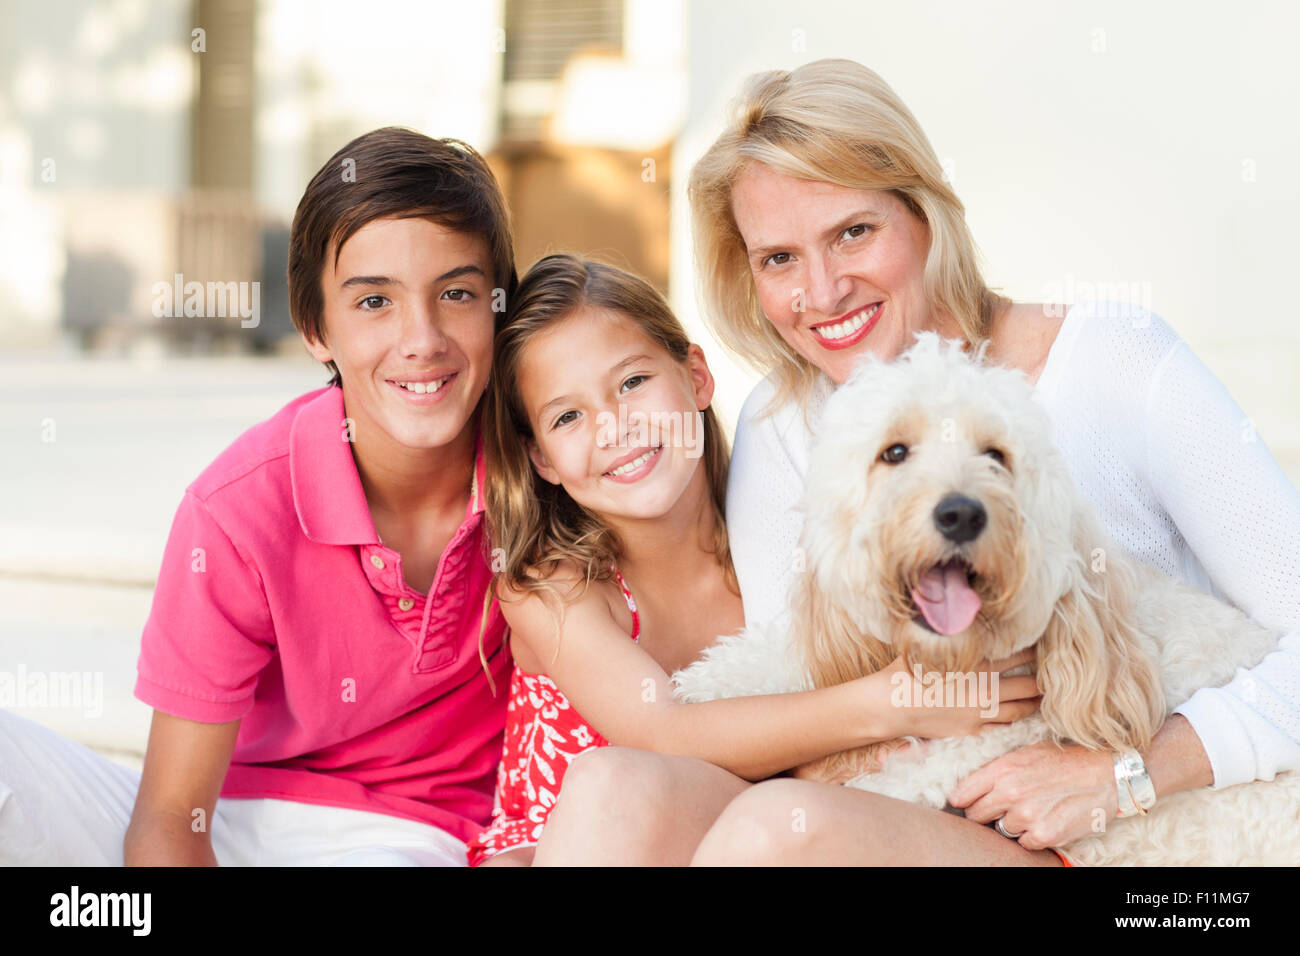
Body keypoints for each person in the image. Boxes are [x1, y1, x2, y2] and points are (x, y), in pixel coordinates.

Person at [676, 58, 1300, 864]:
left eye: (853, 233)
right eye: (779, 259)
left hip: (1156, 851)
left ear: (926, 218)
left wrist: (1127, 774)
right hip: (927, 816)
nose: (823, 292)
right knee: (622, 789)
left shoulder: (1115, 361)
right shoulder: (784, 420)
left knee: (774, 836)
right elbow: (799, 696)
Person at [0, 127, 519, 866]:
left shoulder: (544, 475)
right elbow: (171, 817)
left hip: (407, 837)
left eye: (458, 294)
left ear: (500, 309)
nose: (422, 338)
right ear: (315, 329)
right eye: (375, 301)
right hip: (223, 821)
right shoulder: (241, 508)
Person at [462, 253, 1041, 866]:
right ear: (543, 459)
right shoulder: (549, 589)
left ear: (697, 376)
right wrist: (896, 702)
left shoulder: (771, 542)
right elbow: (665, 735)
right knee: (604, 788)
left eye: (632, 383)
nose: (613, 427)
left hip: (742, 835)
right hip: (568, 842)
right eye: (568, 416)